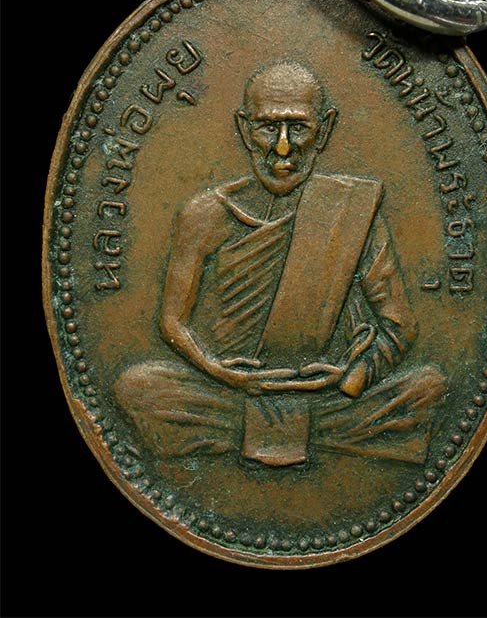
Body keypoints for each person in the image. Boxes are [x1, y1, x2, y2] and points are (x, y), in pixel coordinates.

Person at [114, 60, 446, 466]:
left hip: (326, 397)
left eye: (299, 127)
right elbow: (172, 324)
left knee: (428, 386)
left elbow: (400, 327)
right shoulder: (205, 214)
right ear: (243, 129)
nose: (283, 147)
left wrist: (349, 378)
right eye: (268, 127)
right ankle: (301, 432)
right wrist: (223, 374)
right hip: (229, 393)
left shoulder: (354, 209)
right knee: (138, 386)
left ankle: (271, 431)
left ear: (325, 130)